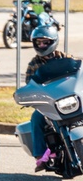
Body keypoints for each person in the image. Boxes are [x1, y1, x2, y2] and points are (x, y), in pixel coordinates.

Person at [25, 25, 73, 171]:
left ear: (53, 42)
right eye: (38, 42)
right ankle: (40, 156)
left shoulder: (65, 58)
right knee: (36, 118)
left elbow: (78, 72)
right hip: (48, 103)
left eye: (45, 42)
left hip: (68, 99)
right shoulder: (34, 64)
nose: (41, 45)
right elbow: (29, 83)